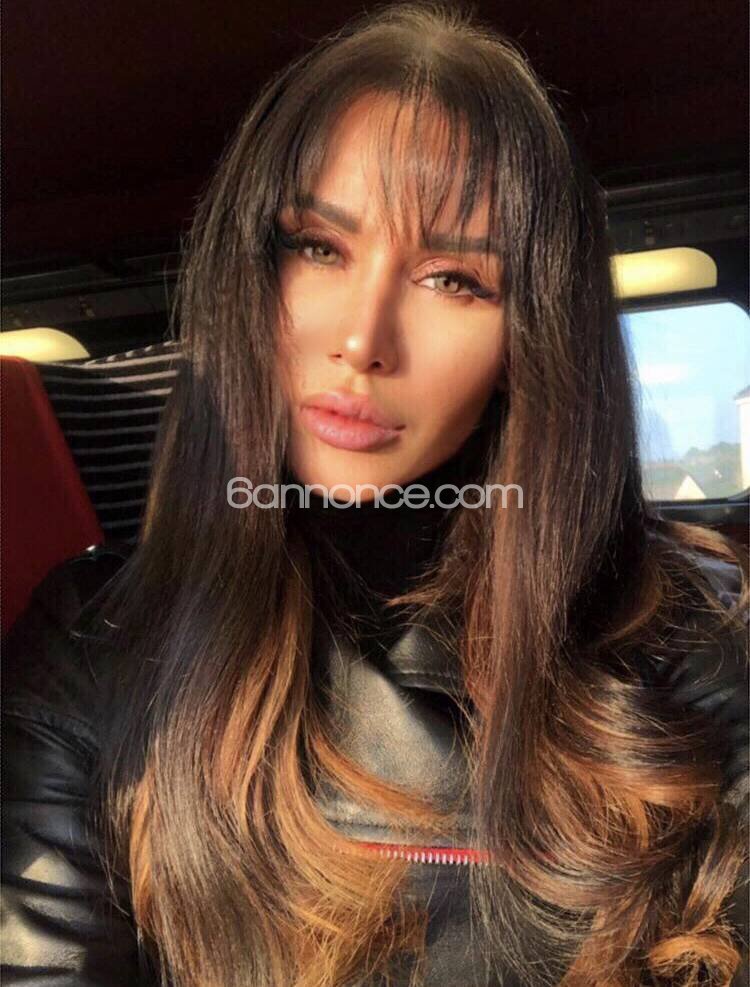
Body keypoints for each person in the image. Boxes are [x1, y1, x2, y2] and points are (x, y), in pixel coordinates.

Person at [3, 3, 748, 985]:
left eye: (454, 279)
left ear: (530, 343)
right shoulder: (94, 647)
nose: (363, 339)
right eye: (318, 247)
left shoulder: (688, 639)